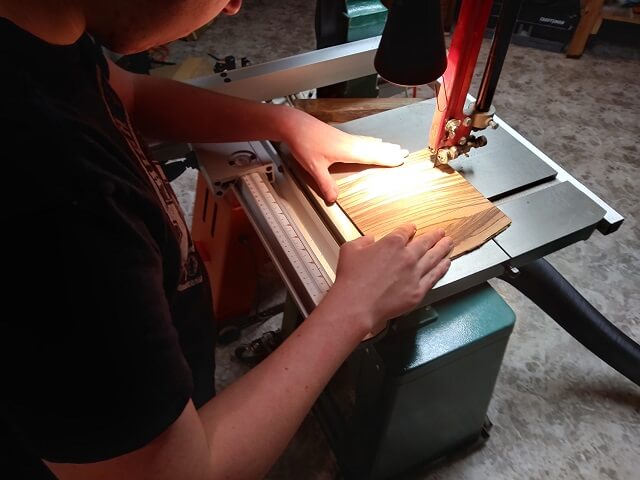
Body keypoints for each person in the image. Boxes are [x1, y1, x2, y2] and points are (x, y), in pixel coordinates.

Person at [0, 1, 453, 478]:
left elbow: (125, 92)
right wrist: (352, 309)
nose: (235, 5)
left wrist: (285, 124)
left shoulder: (42, 34)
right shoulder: (50, 192)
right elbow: (178, 473)